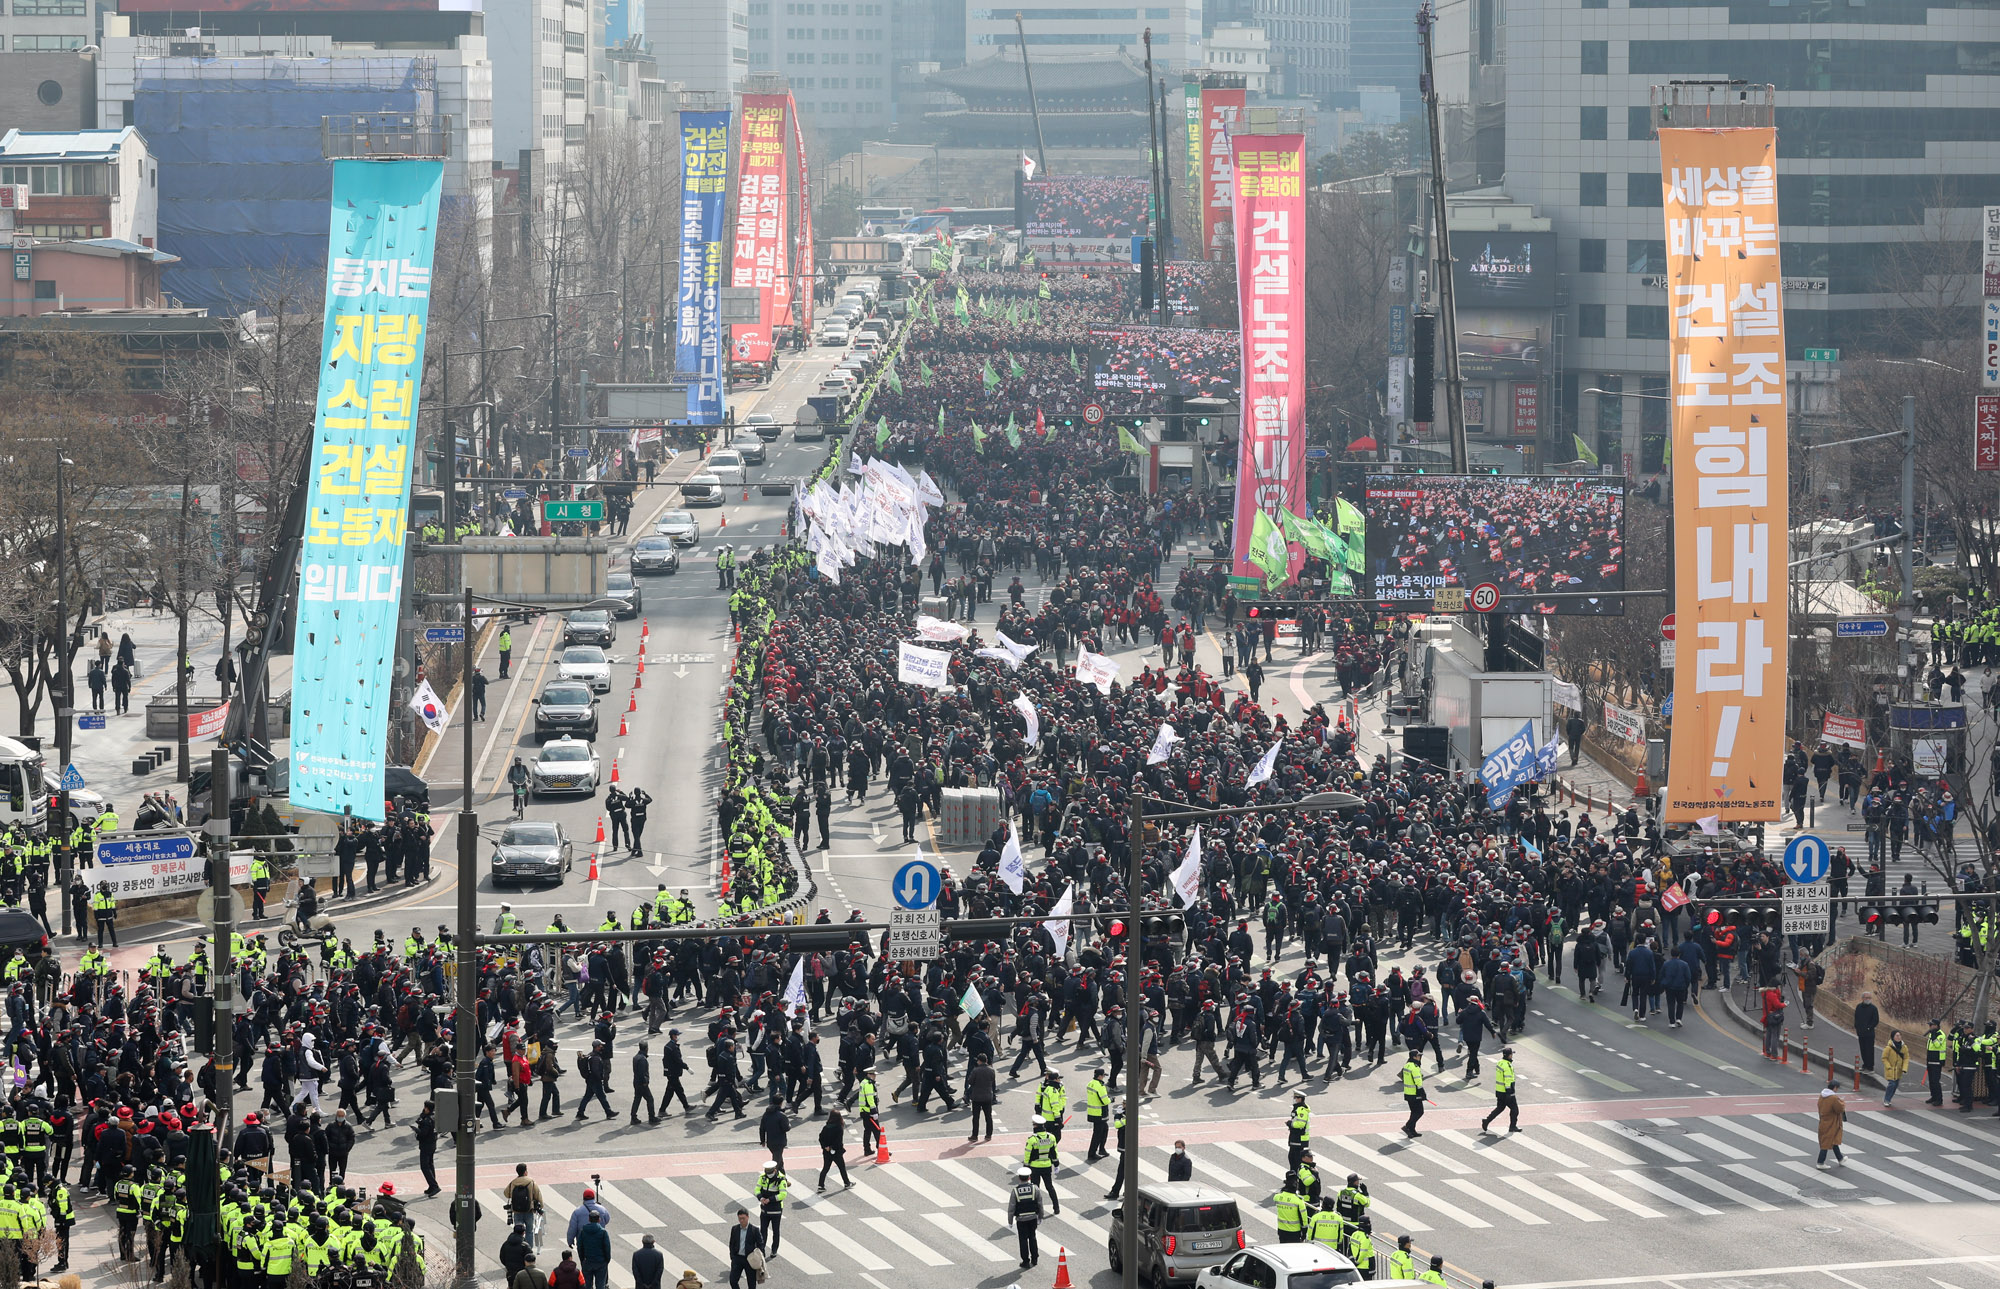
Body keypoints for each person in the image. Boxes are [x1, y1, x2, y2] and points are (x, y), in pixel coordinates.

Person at [1007, 1164, 1044, 1269]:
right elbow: (1040, 1204)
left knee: (1023, 1240)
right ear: (1029, 1177)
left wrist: (1010, 1221)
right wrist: (1041, 1216)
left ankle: (1025, 1261)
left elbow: (1011, 1208)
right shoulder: (1035, 1189)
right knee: (1032, 1237)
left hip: (1021, 1219)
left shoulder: (1015, 1191)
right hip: (1033, 1218)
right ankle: (1035, 1258)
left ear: (1019, 1178)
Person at [1480, 1046, 1520, 1133]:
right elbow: (1508, 1079)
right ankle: (1512, 1126)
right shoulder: (1507, 1066)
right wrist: (1509, 1092)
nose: (1512, 1056)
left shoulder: (1500, 1063)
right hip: (1507, 1092)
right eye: (1511, 1054)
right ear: (1509, 1056)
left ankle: (1486, 1121)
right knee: (1514, 1109)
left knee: (1500, 1108)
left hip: (1499, 1091)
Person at [754, 1162, 787, 1257]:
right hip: (764, 1210)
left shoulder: (781, 1179)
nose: (769, 1175)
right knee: (763, 1231)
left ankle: (774, 1250)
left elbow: (783, 1194)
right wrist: (760, 1198)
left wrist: (770, 1199)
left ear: (775, 1170)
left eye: (770, 1173)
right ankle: (761, 1250)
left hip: (776, 1210)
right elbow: (757, 1189)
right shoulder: (763, 1177)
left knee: (776, 1231)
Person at [726, 1208, 764, 1289]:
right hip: (737, 1259)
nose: (741, 1220)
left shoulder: (754, 1230)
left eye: (743, 1218)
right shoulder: (735, 1229)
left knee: (751, 1284)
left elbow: (761, 1244)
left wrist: (760, 1258)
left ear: (748, 1217)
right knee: (733, 1281)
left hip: (750, 1259)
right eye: (740, 1218)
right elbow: (731, 1243)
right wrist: (732, 1256)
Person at [576, 1211, 614, 1289]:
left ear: (589, 1219)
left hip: (588, 1261)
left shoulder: (583, 1231)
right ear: (599, 1220)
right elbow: (607, 1247)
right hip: (601, 1262)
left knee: (587, 1285)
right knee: (600, 1285)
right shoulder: (603, 1232)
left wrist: (582, 1259)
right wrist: (607, 1260)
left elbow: (580, 1247)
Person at [816, 1108, 852, 1190]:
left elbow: (821, 1138)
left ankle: (820, 1185)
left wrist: (825, 1147)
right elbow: (838, 1141)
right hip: (836, 1152)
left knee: (825, 1168)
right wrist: (833, 1147)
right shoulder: (839, 1128)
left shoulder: (826, 1127)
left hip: (826, 1152)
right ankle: (847, 1183)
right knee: (842, 1168)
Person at [1816, 1078, 1846, 1166]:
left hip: (1823, 1121)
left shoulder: (1822, 1096)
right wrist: (1842, 1102)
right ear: (1835, 1088)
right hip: (1831, 1123)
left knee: (1833, 1141)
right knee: (1826, 1143)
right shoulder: (1833, 1098)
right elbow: (1839, 1109)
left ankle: (1840, 1158)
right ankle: (1820, 1162)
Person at [414, 1101, 441, 1196]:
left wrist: (417, 1133)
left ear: (427, 1108)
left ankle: (434, 1185)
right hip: (432, 1144)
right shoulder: (434, 1117)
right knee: (430, 1165)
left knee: (424, 1166)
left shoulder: (427, 1121)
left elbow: (423, 1134)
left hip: (426, 1145)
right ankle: (432, 1185)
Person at [1400, 1051, 1426, 1138]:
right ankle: (1407, 1126)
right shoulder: (1415, 1067)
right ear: (1414, 1057)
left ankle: (1412, 1130)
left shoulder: (1407, 1065)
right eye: (1418, 1056)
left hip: (1407, 1092)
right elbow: (1418, 1081)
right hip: (1415, 1093)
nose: (1420, 1057)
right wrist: (1422, 1092)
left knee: (1414, 1112)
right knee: (1419, 1112)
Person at [1882, 1030, 1910, 1105]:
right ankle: (1886, 1099)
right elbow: (1884, 1058)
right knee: (1892, 1084)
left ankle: (1889, 1098)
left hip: (1898, 1070)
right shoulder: (1888, 1048)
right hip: (1891, 1070)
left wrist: (1904, 1068)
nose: (1898, 1037)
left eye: (1899, 1035)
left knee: (1895, 1085)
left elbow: (1906, 1058)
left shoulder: (1904, 1047)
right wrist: (1888, 1067)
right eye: (1896, 1035)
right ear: (1893, 1037)